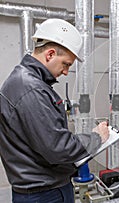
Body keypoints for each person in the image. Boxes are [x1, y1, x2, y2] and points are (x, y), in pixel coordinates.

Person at [0, 18, 109, 203]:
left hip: (41, 189)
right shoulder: (30, 89)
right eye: (66, 64)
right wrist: (97, 137)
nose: (66, 72)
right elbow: (58, 148)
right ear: (50, 54)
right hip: (44, 194)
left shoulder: (26, 82)